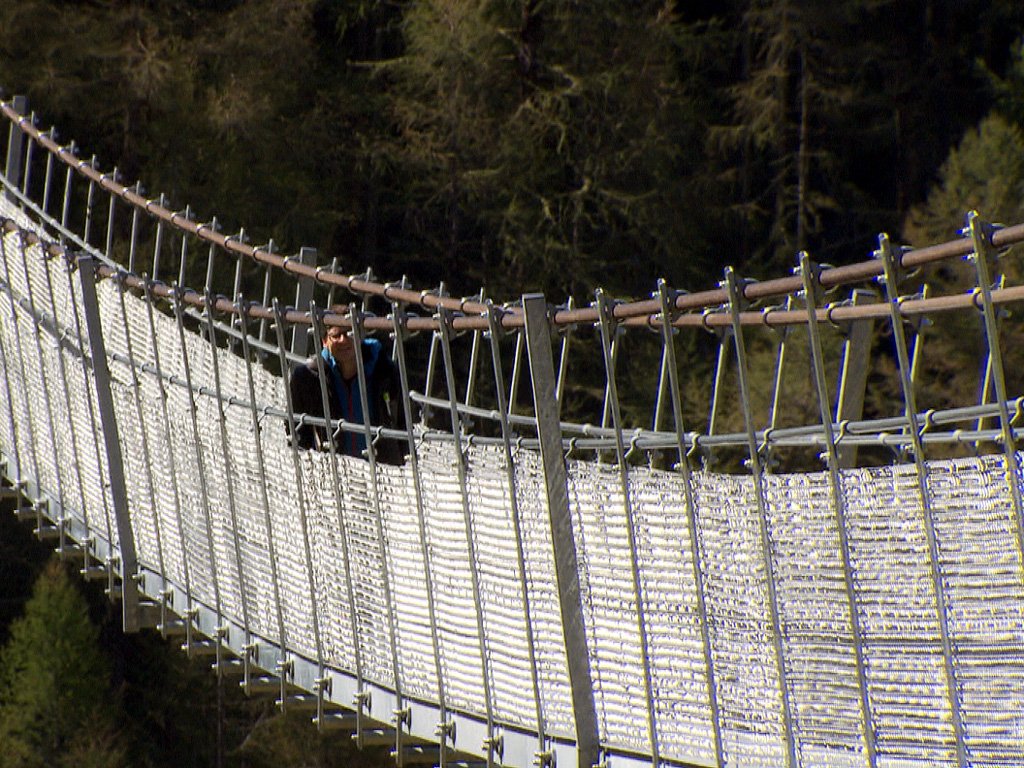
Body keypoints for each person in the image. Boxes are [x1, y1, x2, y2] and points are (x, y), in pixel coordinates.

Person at [289, 317, 405, 465]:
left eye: (350, 333)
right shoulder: (309, 376)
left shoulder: (383, 368)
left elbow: (401, 416)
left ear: (360, 337)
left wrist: (403, 457)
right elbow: (295, 427)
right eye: (336, 335)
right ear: (324, 341)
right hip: (335, 468)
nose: (344, 340)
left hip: (381, 468)